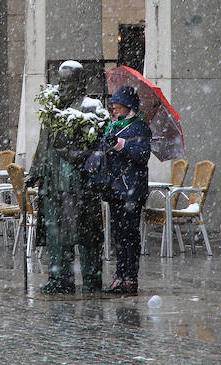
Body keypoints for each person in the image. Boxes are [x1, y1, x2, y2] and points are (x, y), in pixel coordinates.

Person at [30, 61, 104, 294]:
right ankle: (59, 278)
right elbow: (43, 145)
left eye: (66, 82)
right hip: (52, 183)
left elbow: (97, 148)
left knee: (85, 234)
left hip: (78, 185)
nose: (61, 87)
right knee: (55, 234)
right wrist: (34, 172)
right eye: (59, 82)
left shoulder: (90, 108)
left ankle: (91, 279)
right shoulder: (52, 109)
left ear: (80, 83)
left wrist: (73, 154)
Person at [88, 86, 151, 295]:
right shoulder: (112, 127)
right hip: (115, 189)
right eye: (111, 107)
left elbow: (142, 155)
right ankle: (119, 275)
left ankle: (130, 278)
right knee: (118, 235)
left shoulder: (139, 127)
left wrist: (121, 145)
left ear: (128, 107)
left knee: (130, 235)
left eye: (117, 108)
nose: (113, 111)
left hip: (131, 190)